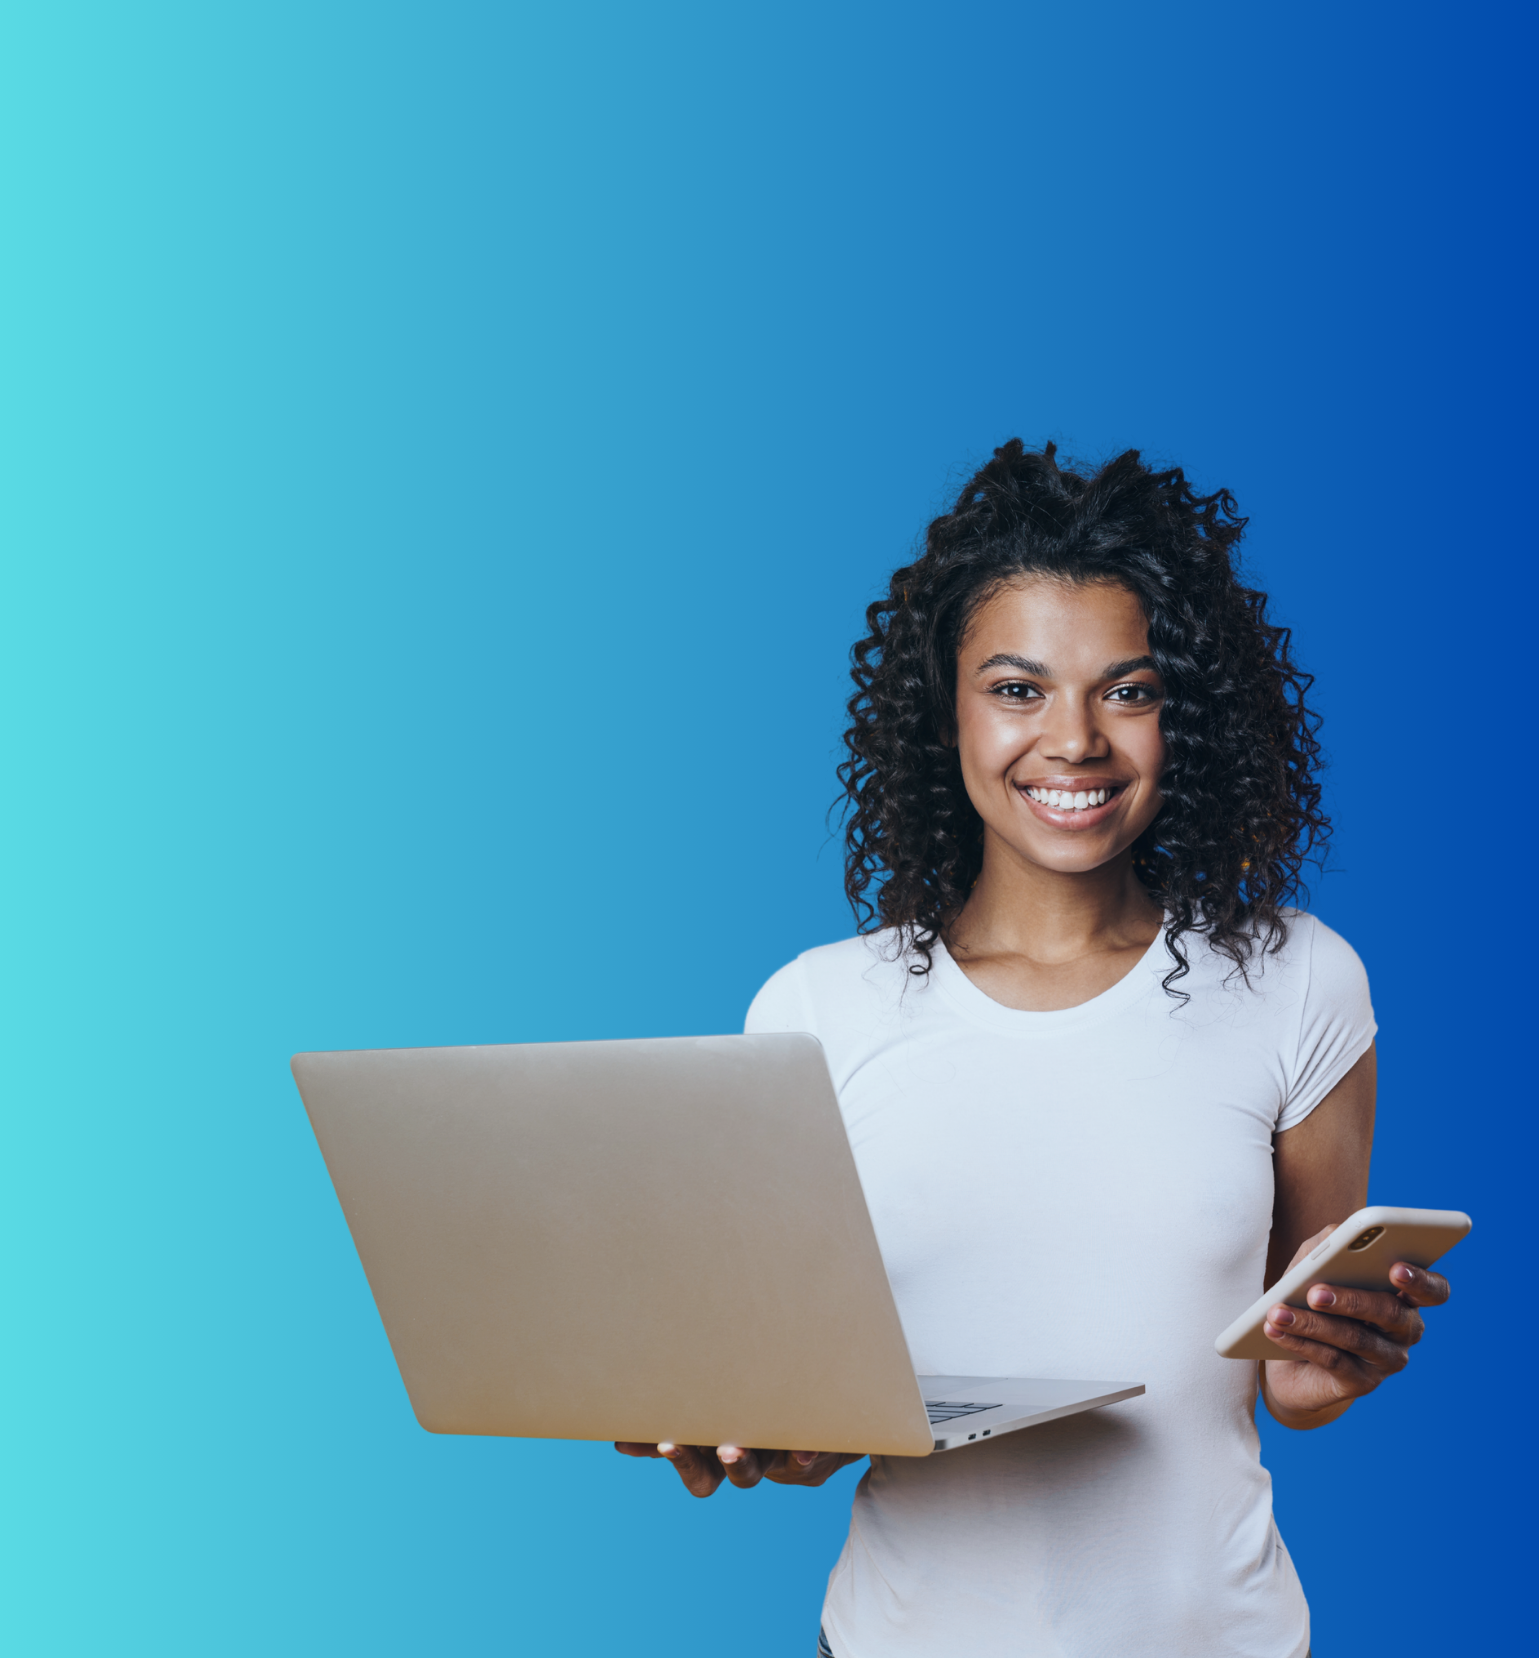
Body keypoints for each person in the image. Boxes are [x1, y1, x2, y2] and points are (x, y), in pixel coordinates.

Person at [615, 441, 1451, 1658]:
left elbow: (1292, 1366)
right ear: (941, 708)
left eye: (1128, 688)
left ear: (1187, 714)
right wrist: (753, 1432)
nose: (1074, 741)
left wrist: (1328, 1369)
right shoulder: (819, 1010)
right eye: (1016, 689)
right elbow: (816, 1421)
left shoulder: (1296, 980)